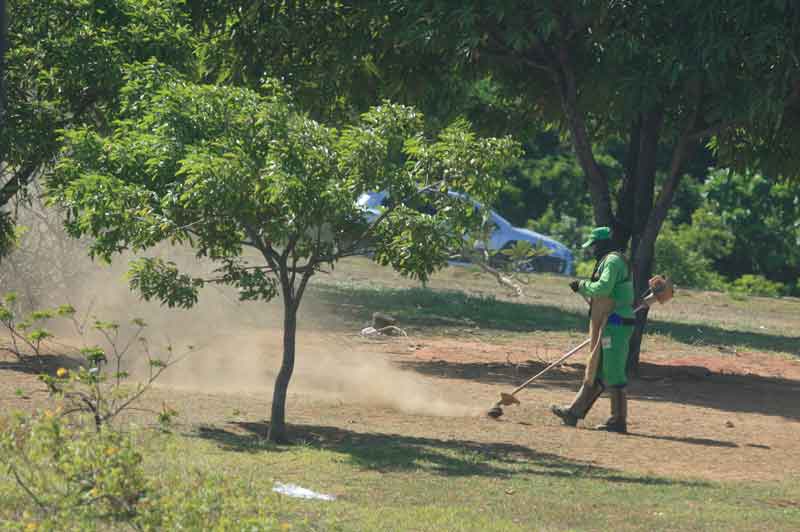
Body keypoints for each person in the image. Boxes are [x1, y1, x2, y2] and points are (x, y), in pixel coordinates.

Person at [551, 226, 635, 433]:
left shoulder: (613, 261)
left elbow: (604, 288)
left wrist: (582, 285)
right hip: (609, 323)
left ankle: (618, 420)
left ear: (603, 244)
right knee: (596, 369)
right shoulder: (609, 261)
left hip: (616, 324)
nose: (593, 250)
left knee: (614, 371)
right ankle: (573, 413)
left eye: (594, 246)